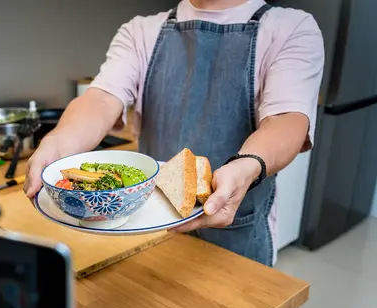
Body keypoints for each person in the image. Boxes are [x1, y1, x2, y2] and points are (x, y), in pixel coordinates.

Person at [24, 0, 325, 266]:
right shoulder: (141, 31)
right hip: (151, 231)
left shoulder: (291, 28)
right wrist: (56, 145)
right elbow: (101, 99)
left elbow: (286, 119)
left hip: (237, 241)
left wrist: (246, 165)